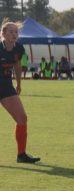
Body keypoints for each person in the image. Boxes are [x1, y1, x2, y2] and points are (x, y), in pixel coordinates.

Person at [0, 20, 40, 163]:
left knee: (22, 118)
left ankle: (21, 155)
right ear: (3, 34)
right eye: (10, 31)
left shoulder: (18, 49)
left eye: (16, 32)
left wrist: (18, 83)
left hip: (6, 87)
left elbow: (17, 65)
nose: (14, 34)